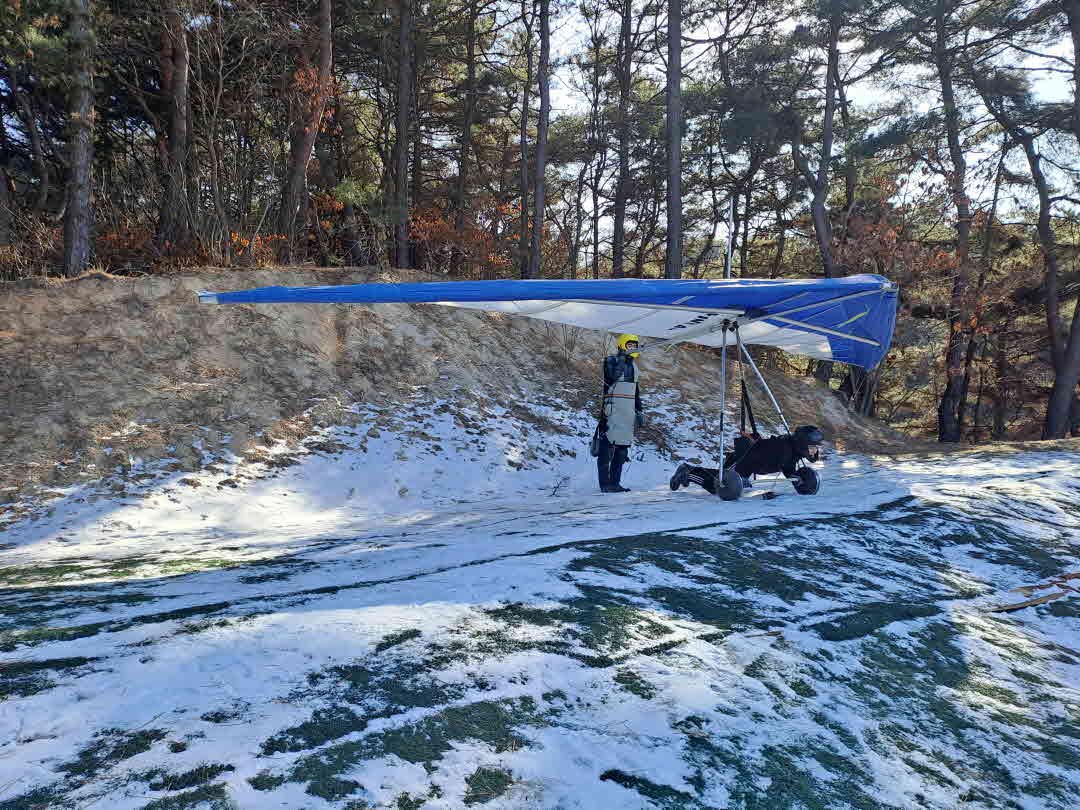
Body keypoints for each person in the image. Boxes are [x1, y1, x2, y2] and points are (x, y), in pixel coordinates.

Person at [669, 425, 824, 494]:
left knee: (724, 483)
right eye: (813, 447)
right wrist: (741, 477)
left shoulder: (793, 451)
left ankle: (689, 471)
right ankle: (688, 472)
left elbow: (787, 466)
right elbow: (757, 453)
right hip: (743, 459)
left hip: (750, 463)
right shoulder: (782, 448)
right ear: (803, 443)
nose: (815, 450)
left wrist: (797, 478)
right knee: (719, 486)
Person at [596, 334, 644, 493]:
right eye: (630, 345)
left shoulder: (634, 366)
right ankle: (605, 484)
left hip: (628, 411)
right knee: (607, 446)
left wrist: (639, 410)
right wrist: (622, 359)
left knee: (623, 447)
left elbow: (636, 391)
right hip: (613, 408)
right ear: (622, 345)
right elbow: (612, 377)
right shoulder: (610, 360)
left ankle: (615, 483)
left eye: (634, 345)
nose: (632, 348)